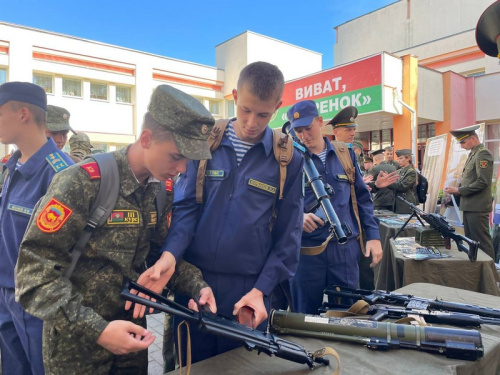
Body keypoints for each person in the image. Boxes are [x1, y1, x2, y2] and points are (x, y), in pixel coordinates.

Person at [16, 84, 217, 374]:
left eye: (188, 160)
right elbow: (33, 274)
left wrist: (197, 286)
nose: (183, 169)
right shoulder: (82, 183)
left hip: (131, 346)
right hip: (77, 350)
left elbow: (160, 257)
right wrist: (98, 330)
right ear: (146, 139)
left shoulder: (160, 191)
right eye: (176, 156)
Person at [135, 61, 305, 364]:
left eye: (263, 114)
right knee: (190, 366)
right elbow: (186, 209)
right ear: (235, 96)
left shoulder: (287, 158)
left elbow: (289, 237)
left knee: (242, 368)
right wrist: (169, 256)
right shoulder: (206, 141)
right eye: (246, 110)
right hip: (196, 286)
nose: (252, 122)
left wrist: (262, 290)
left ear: (278, 107)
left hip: (248, 293)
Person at [0, 81, 74, 375]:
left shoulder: (61, 173)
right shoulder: (12, 166)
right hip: (6, 293)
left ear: (22, 114)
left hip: (37, 303)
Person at [285, 100, 385, 314]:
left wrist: (374, 236)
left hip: (344, 250)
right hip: (306, 251)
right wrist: (297, 217)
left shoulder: (345, 154)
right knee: (304, 318)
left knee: (348, 314)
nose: (304, 136)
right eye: (298, 131)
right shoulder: (288, 159)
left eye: (308, 128)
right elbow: (276, 203)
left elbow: (362, 198)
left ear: (320, 122)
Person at [444, 124, 495, 259]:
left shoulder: (482, 153)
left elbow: (483, 182)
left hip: (477, 206)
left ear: (473, 138)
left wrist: (459, 190)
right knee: (472, 241)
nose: (461, 146)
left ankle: (491, 273)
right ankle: (478, 270)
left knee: (482, 242)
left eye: (463, 142)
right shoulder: (473, 153)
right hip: (470, 205)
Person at [388, 149, 418, 214]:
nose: (399, 161)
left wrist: (388, 182)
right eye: (398, 159)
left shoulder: (411, 172)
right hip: (397, 202)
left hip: (405, 202)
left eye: (401, 158)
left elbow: (402, 186)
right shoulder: (399, 171)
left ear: (408, 159)